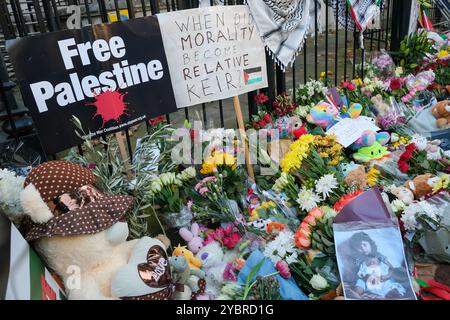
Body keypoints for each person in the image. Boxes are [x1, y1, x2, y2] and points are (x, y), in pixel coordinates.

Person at [348, 232, 406, 298]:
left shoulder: (379, 256)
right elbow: (359, 274)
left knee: (391, 287)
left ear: (370, 243)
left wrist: (387, 276)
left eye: (364, 245)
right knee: (360, 282)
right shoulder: (360, 261)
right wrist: (366, 277)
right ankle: (356, 293)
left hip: (383, 279)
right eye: (359, 248)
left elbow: (391, 268)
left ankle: (392, 294)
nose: (363, 249)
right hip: (369, 282)